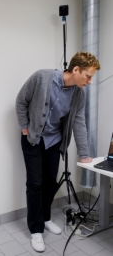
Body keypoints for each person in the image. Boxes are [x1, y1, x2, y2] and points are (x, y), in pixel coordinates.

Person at [15, 51, 100, 252]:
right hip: (33, 139)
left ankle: (45, 218)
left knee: (50, 183)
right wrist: (25, 128)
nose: (89, 82)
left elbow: (79, 122)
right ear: (76, 69)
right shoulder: (42, 77)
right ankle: (36, 230)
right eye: (88, 76)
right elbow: (21, 100)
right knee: (35, 184)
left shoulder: (79, 93)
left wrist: (84, 153)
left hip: (54, 142)